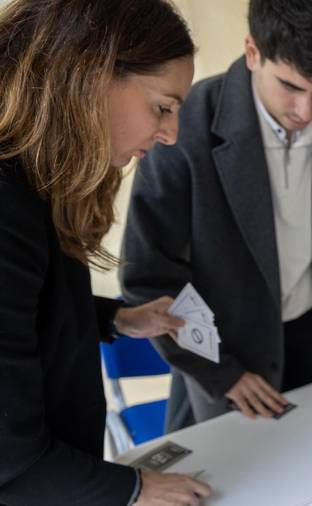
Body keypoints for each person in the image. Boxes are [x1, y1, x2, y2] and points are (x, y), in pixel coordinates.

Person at [120, 0, 312, 425]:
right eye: (290, 86)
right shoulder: (185, 124)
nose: (306, 111)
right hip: (224, 355)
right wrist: (222, 373)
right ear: (252, 51)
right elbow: (149, 274)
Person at [0, 1, 212, 505]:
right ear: (91, 75)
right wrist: (133, 488)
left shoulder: (33, 179)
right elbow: (9, 457)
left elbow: (26, 312)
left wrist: (115, 318)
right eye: (163, 107)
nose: (171, 135)